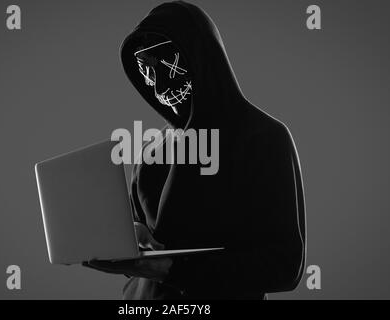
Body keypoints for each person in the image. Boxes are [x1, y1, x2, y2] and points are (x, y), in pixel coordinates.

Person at [82, 1, 306, 300]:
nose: (158, 87)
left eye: (165, 65)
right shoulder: (151, 149)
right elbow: (144, 235)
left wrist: (172, 269)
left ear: (203, 57)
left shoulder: (264, 138)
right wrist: (130, 239)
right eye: (146, 69)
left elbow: (285, 266)